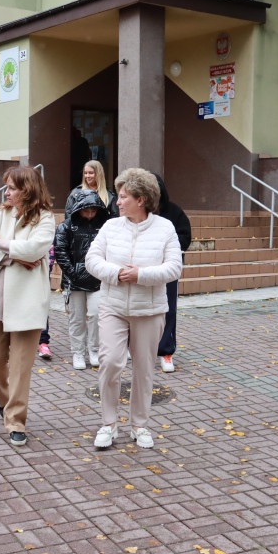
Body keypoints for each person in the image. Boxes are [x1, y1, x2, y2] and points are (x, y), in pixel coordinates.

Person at [86, 168, 182, 450]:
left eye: (124, 196)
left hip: (150, 311)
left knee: (143, 369)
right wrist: (117, 273)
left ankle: (139, 424)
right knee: (111, 362)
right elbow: (92, 259)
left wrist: (140, 274)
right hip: (113, 306)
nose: (118, 201)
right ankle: (109, 423)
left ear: (141, 199)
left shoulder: (165, 228)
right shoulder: (111, 226)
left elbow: (174, 267)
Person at [0, 166, 55, 447]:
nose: (7, 192)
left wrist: (3, 243)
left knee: (20, 365)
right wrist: (11, 256)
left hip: (28, 300)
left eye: (12, 188)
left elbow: (36, 249)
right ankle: (6, 403)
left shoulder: (45, 217)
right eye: (7, 187)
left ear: (27, 189)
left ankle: (16, 419)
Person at [54, 190, 109, 370]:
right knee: (77, 318)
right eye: (87, 210)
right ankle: (78, 352)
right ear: (78, 209)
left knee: (96, 315)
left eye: (94, 210)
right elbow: (60, 251)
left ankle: (94, 350)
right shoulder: (66, 227)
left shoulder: (105, 226)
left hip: (97, 279)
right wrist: (73, 272)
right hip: (74, 280)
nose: (91, 214)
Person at [153, 174, 192, 373]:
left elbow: (186, 236)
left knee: (169, 309)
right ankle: (134, 346)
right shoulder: (138, 211)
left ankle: (166, 351)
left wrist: (167, 247)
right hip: (143, 269)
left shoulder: (174, 211)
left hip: (168, 270)